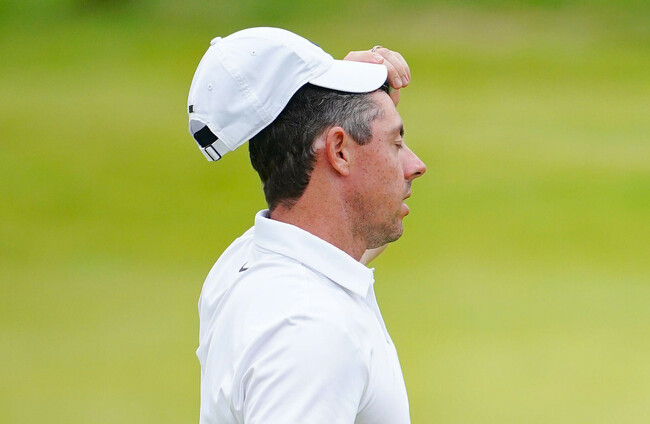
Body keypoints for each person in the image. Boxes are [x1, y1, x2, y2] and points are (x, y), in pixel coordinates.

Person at [187, 27, 426, 424]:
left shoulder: (252, 257)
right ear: (339, 151)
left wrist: (348, 99)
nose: (416, 166)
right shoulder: (310, 329)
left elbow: (351, 228)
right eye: (395, 143)